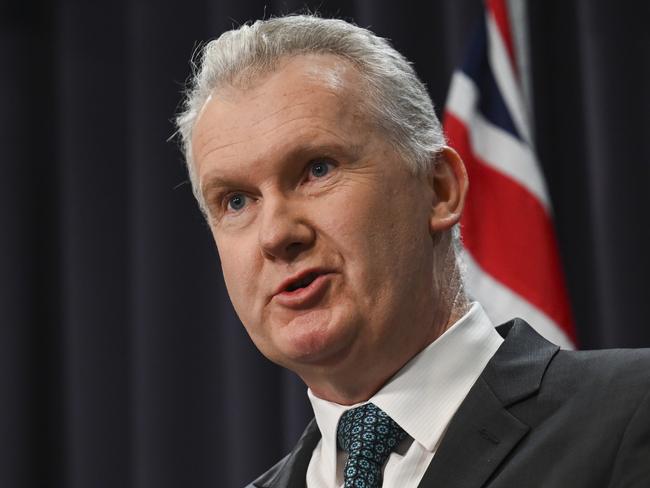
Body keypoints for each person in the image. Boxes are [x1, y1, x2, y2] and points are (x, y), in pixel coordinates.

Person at [175, 14, 650, 488]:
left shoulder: (631, 412)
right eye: (236, 201)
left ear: (439, 189)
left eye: (317, 169)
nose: (276, 234)